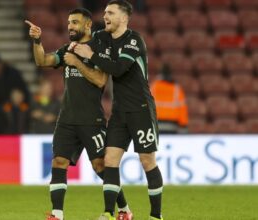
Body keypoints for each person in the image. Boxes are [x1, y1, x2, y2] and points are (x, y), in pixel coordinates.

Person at [25, 7, 132, 220]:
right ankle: (57, 214)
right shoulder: (68, 49)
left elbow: (101, 80)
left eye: (74, 22)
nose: (70, 26)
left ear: (87, 25)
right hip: (66, 120)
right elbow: (43, 61)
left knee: (101, 167)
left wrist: (77, 63)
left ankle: (124, 210)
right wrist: (37, 41)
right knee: (59, 163)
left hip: (91, 119)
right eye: (68, 23)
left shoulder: (99, 49)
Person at [71, 1, 164, 219]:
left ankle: (156, 215)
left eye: (111, 13)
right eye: (104, 12)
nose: (105, 16)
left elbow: (119, 69)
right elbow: (84, 43)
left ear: (124, 18)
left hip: (141, 108)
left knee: (147, 161)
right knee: (110, 160)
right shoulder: (103, 38)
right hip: (119, 111)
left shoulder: (134, 40)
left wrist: (90, 55)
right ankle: (108, 213)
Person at [150, 64, 188, 134]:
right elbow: (182, 109)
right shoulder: (176, 89)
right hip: (172, 126)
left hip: (155, 125)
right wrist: (184, 126)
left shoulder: (153, 87)